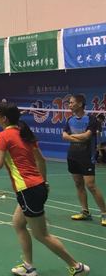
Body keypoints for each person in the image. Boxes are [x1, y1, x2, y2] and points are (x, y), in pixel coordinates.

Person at [0, 103, 90, 276]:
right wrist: (44, 182)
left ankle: (77, 266)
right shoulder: (25, 133)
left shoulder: (3, 136)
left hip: (27, 190)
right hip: (37, 187)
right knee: (18, 224)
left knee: (41, 235)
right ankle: (28, 266)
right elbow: (41, 160)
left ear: (4, 118)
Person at [62, 94, 106, 225]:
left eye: (72, 102)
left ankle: (104, 213)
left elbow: (87, 136)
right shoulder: (70, 120)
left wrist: (71, 137)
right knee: (78, 184)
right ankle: (85, 212)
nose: (69, 105)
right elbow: (64, 135)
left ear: (80, 104)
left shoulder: (91, 119)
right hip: (73, 156)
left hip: (87, 157)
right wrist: (76, 137)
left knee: (91, 185)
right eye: (69, 103)